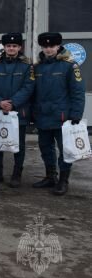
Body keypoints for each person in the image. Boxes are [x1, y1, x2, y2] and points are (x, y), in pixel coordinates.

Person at [32, 32, 85, 196]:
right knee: (45, 148)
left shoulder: (70, 66)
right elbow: (33, 93)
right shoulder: (37, 67)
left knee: (65, 150)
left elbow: (78, 92)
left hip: (63, 117)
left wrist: (76, 114)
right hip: (43, 115)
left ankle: (63, 180)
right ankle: (50, 176)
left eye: (52, 46)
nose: (48, 49)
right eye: (45, 46)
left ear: (58, 46)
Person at [0, 33, 34, 187]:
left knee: (18, 145)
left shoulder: (27, 66)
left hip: (18, 111)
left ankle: (16, 174)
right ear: (4, 47)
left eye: (14, 46)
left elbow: (28, 87)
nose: (11, 48)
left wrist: (13, 103)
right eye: (8, 46)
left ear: (19, 47)